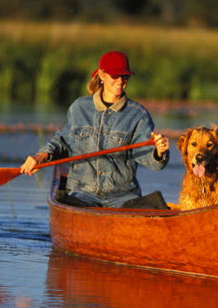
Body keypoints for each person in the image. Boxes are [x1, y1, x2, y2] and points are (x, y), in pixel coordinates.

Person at [20, 51, 170, 207]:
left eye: (125, 76)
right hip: (81, 195)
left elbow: (151, 160)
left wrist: (159, 152)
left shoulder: (138, 114)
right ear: (101, 75)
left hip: (123, 198)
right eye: (115, 75)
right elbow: (61, 142)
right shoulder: (79, 108)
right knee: (64, 198)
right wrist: (39, 158)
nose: (120, 81)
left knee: (156, 204)